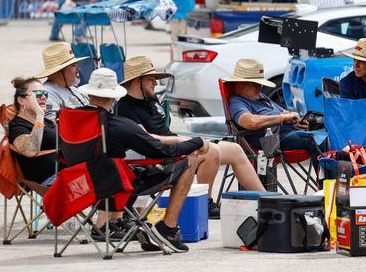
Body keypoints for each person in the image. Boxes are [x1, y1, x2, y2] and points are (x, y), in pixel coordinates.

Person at [115, 55, 265, 220]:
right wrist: (183, 141)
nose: (156, 83)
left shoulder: (150, 98)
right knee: (211, 150)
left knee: (235, 150)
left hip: (174, 145)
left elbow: (163, 131)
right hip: (158, 155)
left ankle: (265, 201)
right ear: (137, 81)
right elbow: (145, 139)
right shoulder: (125, 107)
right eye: (151, 79)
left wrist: (183, 140)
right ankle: (205, 203)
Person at [80, 68, 206, 253]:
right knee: (188, 161)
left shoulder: (69, 119)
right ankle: (167, 229)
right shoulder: (119, 125)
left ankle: (140, 224)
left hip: (79, 184)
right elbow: (159, 150)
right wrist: (197, 142)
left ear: (90, 93)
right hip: (115, 186)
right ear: (113, 95)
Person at [227, 58, 325, 160]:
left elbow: (284, 112)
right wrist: (282, 118)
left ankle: (330, 172)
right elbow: (250, 122)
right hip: (270, 140)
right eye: (256, 84)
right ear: (240, 83)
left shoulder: (259, 96)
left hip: (285, 134)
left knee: (325, 135)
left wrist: (297, 120)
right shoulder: (237, 102)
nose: (260, 88)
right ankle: (328, 175)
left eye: (260, 84)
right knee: (317, 140)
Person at [7, 77, 57, 186]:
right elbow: (30, 150)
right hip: (50, 180)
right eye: (38, 94)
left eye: (45, 93)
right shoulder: (18, 125)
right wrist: (39, 115)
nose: (43, 97)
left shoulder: (48, 122)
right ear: (21, 100)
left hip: (67, 172)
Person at [36, 42, 90, 119]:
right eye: (73, 65)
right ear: (59, 71)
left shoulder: (73, 88)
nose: (78, 69)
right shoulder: (44, 93)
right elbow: (52, 126)